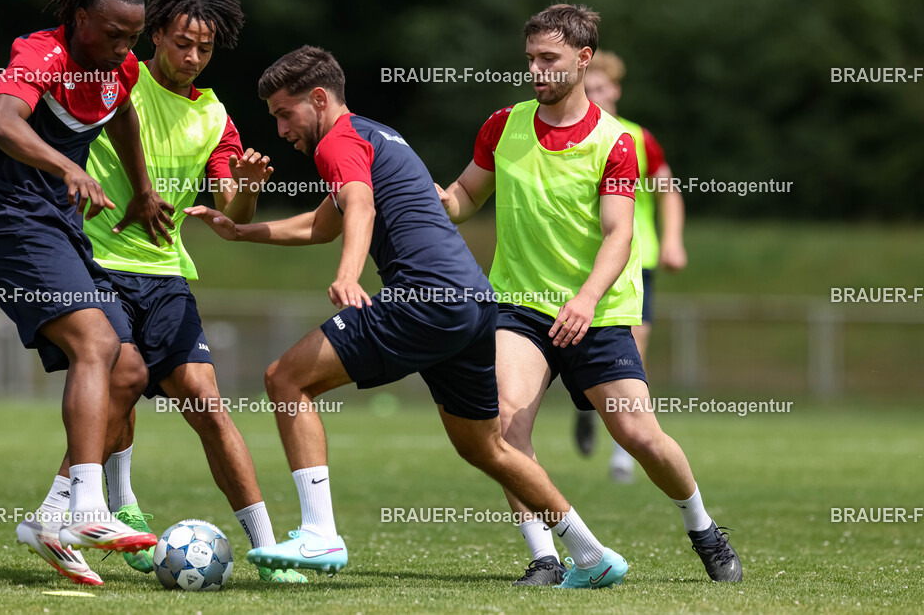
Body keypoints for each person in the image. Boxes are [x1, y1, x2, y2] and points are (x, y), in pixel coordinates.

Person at [185, 45, 630, 589]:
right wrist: (242, 230)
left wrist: (349, 275)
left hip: (424, 299)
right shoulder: (376, 135)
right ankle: (591, 555)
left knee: (286, 378)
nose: (280, 129)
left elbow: (361, 205)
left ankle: (319, 530)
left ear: (319, 99)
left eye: (285, 113)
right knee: (483, 445)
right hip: (472, 303)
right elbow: (325, 223)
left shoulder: (339, 143)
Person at [436, 4, 741, 586]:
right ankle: (546, 556)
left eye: (549, 59)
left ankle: (703, 528)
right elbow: (465, 196)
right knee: (503, 428)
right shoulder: (502, 125)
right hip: (518, 307)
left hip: (597, 311)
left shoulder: (617, 142)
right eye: (530, 60)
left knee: (638, 435)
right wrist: (433, 199)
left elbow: (620, 233)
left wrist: (584, 299)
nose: (537, 71)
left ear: (582, 58)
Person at [81, 0, 305, 584]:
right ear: (156, 35)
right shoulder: (119, 74)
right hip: (99, 263)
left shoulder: (214, 114)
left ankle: (268, 551)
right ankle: (97, 509)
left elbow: (235, 208)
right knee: (121, 382)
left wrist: (250, 185)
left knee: (208, 406)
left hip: (168, 275)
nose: (193, 57)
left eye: (204, 48)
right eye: (183, 43)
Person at [0, 0, 167, 586]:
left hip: (56, 228)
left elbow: (126, 111)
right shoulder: (41, 55)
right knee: (97, 341)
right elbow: (2, 122)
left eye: (132, 37)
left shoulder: (120, 68)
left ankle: (51, 518)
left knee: (129, 369)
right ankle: (88, 508)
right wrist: (68, 166)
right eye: (111, 33)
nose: (121, 47)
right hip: (10, 225)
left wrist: (141, 188)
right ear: (80, 18)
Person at [574, 50, 687, 483]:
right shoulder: (574, 137)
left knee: (631, 354)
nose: (596, 96)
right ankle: (587, 404)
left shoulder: (638, 138)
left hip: (637, 263)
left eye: (602, 88)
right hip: (586, 262)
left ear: (616, 90)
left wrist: (673, 240)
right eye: (589, 89)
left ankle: (624, 453)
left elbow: (669, 191)